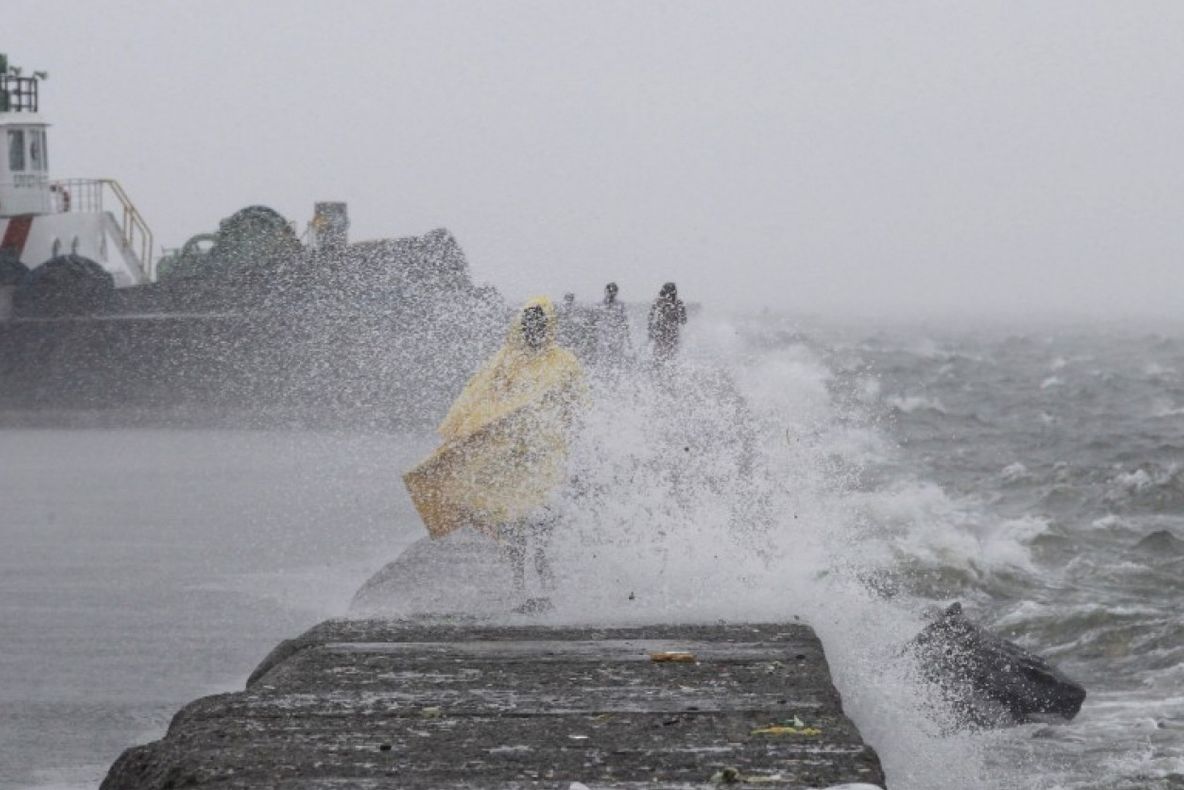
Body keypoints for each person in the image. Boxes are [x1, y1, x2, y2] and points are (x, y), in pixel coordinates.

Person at [403, 296, 586, 602]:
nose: (533, 331)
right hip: (509, 453)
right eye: (528, 325)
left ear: (549, 326)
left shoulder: (564, 362)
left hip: (545, 451)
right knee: (512, 518)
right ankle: (519, 584)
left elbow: (576, 402)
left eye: (539, 326)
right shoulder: (506, 359)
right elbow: (479, 398)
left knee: (542, 515)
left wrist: (569, 433)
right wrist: (466, 434)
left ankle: (541, 568)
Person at [593, 281, 633, 370]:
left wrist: (628, 339)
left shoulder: (621, 305)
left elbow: (625, 321)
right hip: (603, 335)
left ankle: (615, 379)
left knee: (617, 360)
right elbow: (595, 322)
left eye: (614, 292)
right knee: (604, 360)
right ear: (606, 291)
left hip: (617, 336)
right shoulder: (599, 305)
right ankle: (604, 377)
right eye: (610, 291)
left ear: (616, 292)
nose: (611, 294)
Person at [647, 282, 687, 362]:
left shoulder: (677, 303)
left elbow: (683, 320)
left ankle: (663, 369)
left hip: (667, 333)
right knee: (664, 356)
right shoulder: (660, 302)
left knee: (664, 356)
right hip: (665, 333)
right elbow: (650, 317)